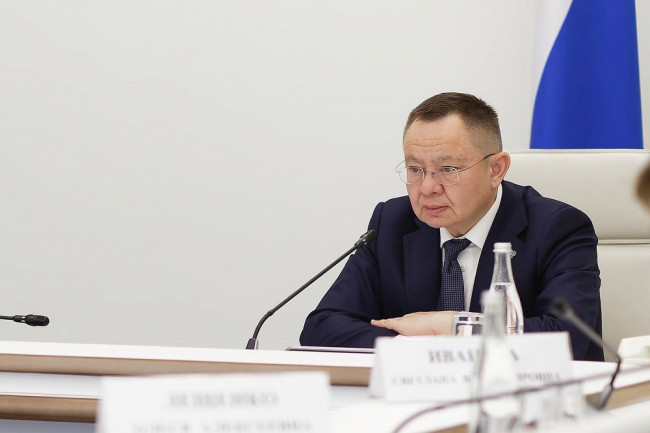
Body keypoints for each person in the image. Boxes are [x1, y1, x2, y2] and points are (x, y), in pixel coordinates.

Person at [300, 92, 603, 361]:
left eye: (447, 169)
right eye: (415, 169)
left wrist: (451, 326)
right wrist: (425, 350)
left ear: (496, 169)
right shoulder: (392, 222)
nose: (427, 188)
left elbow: (566, 338)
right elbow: (322, 327)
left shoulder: (557, 227)